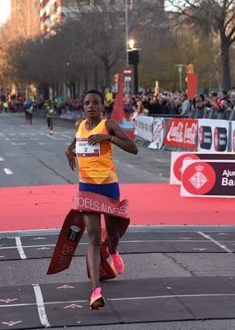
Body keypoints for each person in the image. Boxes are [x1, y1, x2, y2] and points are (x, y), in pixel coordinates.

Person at [64, 90, 138, 309]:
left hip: (108, 187)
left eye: (95, 103)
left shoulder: (109, 124)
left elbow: (133, 149)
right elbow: (74, 144)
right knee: (94, 237)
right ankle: (95, 291)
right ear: (83, 106)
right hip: (86, 187)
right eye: (87, 103)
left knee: (112, 233)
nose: (90, 106)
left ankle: (113, 251)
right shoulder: (79, 125)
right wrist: (69, 151)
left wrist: (109, 138)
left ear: (101, 106)